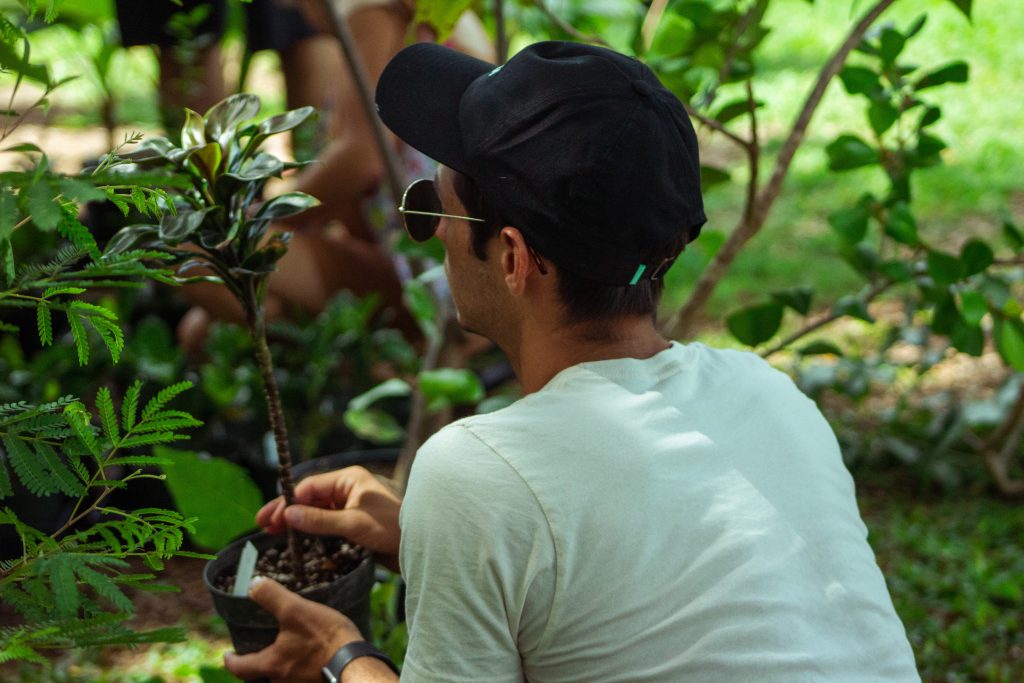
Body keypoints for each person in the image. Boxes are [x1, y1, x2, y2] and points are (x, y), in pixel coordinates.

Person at [223, 41, 921, 682]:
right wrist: (424, 534)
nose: (432, 232)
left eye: (436, 207)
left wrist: (341, 655)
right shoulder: (771, 397)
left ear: (515, 259)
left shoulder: (476, 471)